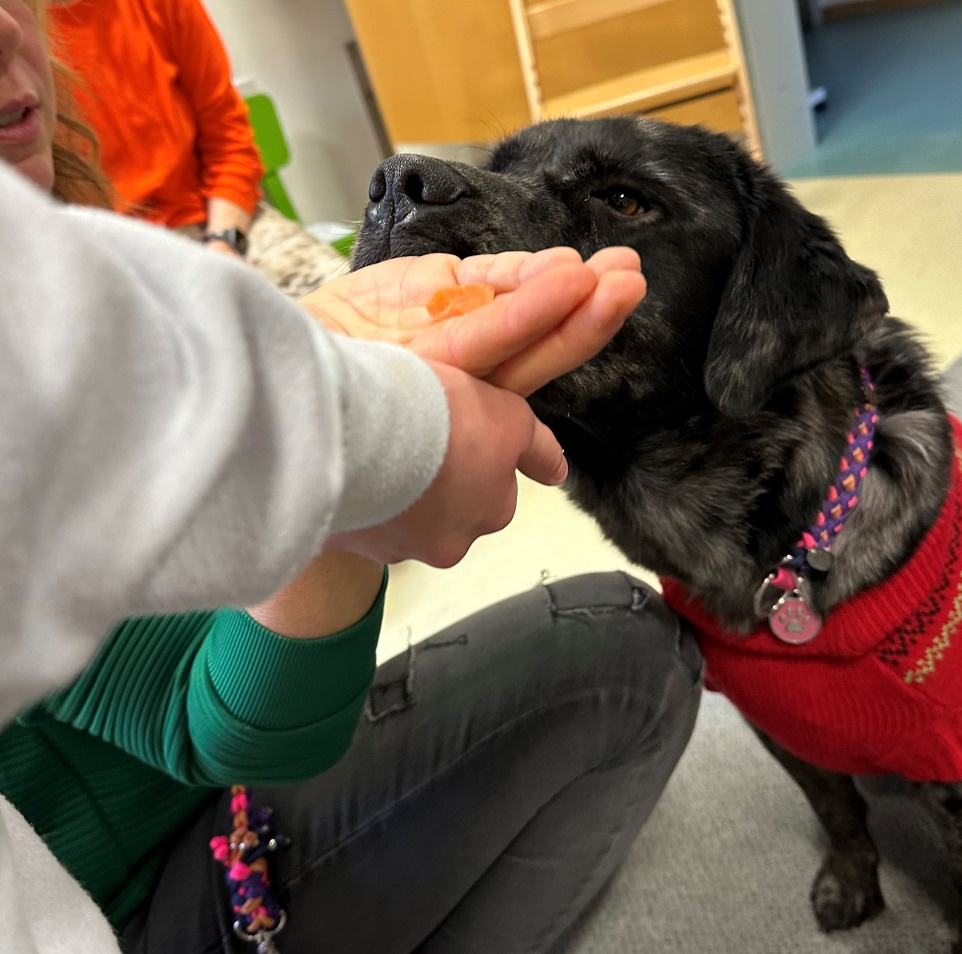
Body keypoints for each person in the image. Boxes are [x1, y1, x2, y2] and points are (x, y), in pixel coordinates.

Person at [0, 1, 703, 951]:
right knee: (629, 658)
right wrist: (346, 452)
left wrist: (260, 312)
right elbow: (231, 724)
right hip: (134, 893)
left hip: (202, 246)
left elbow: (229, 148)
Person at [47, 0, 352, 297]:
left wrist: (224, 243)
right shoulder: (26, 37)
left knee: (353, 302)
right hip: (109, 259)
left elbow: (229, 138)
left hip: (216, 221)